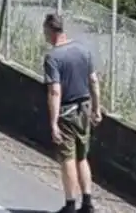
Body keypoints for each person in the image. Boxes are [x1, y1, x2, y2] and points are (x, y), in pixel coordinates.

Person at [43, 13, 102, 213]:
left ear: (50, 31)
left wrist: (53, 122)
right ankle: (87, 203)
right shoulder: (83, 50)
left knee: (67, 157)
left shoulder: (53, 57)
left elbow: (55, 90)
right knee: (82, 157)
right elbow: (93, 80)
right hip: (84, 108)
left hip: (67, 111)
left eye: (45, 31)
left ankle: (70, 204)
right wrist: (96, 107)